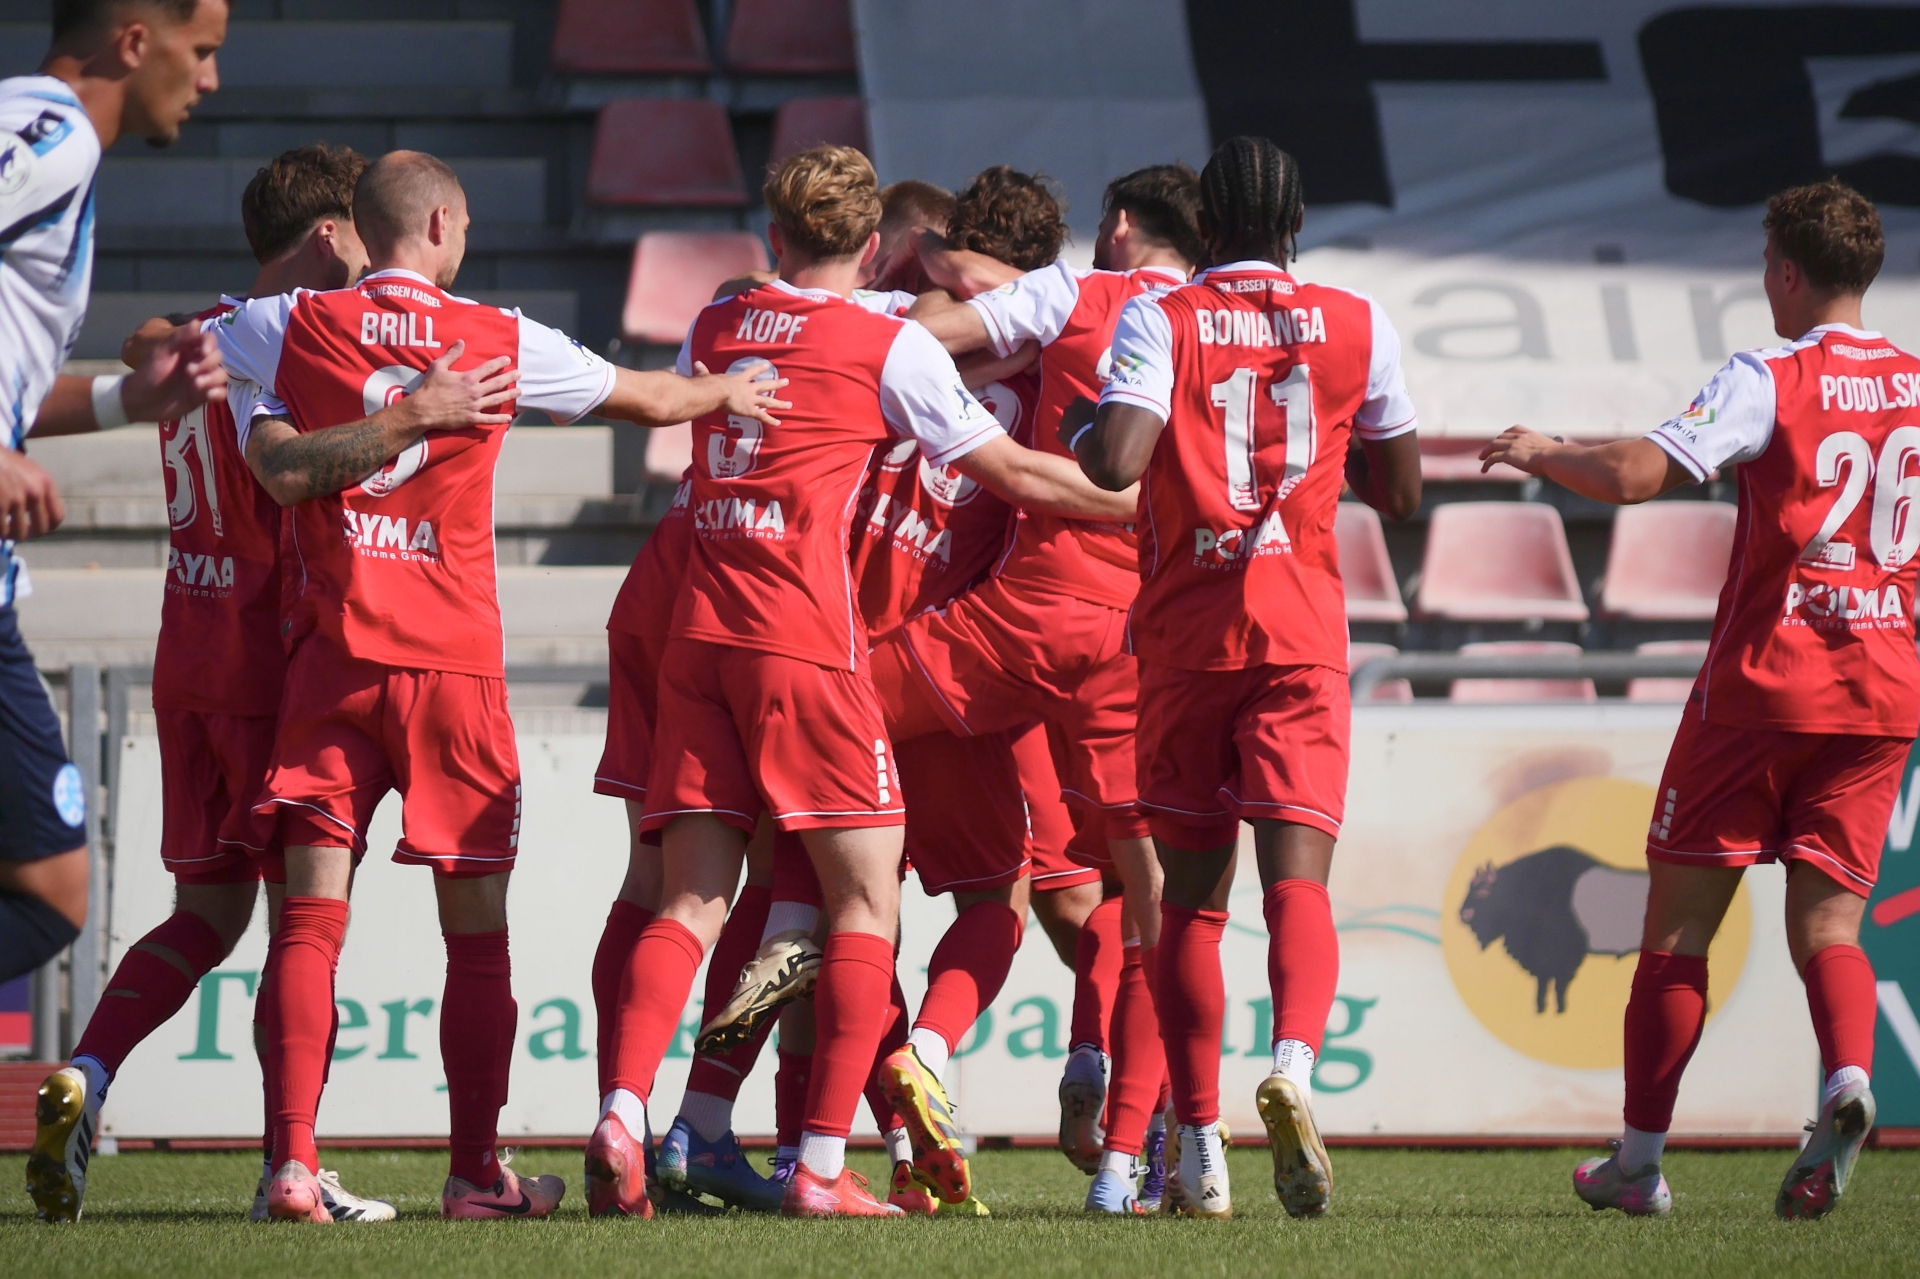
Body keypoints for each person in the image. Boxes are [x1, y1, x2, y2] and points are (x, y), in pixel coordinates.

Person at [210, 150, 786, 1223]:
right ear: (438, 224)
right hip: (452, 670)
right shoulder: (496, 338)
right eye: (464, 224)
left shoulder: (282, 323)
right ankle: (476, 1173)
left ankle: (290, 1163)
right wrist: (730, 389)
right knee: (475, 936)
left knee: (307, 925)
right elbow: (647, 397)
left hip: (332, 661)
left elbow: (185, 355)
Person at [587, 145, 1127, 1219]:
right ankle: (849, 1130)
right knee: (946, 900)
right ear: (875, 245)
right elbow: (1020, 473)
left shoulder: (726, 319)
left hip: (708, 626)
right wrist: (1152, 503)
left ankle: (666, 1115)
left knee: (718, 895)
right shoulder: (949, 351)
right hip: (870, 652)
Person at [1482, 180, 1910, 1222]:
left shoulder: (1771, 376)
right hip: (1883, 693)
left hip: (1764, 689)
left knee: (1676, 933)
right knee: (1831, 928)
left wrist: (1544, 450)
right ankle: (1848, 1080)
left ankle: (1639, 1161)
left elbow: (1638, 474)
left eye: (1766, 264)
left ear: (1787, 271)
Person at [28, 145, 397, 1226]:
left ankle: (87, 1070)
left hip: (186, 659)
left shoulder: (197, 340)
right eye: (364, 234)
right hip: (273, 669)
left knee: (205, 914)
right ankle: (293, 1164)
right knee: (304, 924)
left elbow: (142, 343)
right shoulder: (294, 344)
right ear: (329, 235)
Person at [1076, 136, 1421, 1219]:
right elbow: (1403, 493)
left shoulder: (1162, 316)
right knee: (1297, 884)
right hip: (1301, 633)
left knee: (1190, 906)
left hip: (1188, 638)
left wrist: (1089, 430)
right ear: (1298, 222)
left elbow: (1117, 462)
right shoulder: (1359, 321)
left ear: (1205, 225)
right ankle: (1297, 1067)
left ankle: (1199, 1148)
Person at [878, 162, 1204, 1214]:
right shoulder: (1219, 325)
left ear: (1120, 224)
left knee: (825, 742)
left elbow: (921, 336)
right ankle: (1126, 1157)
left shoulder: (1072, 296)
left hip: (1022, 615)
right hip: (1143, 637)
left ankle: (776, 1130)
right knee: (1142, 904)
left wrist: (914, 282)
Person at [0, 0, 227, 999]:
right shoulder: (48, 136)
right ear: (136, 42)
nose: (210, 79)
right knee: (47, 891)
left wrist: (125, 401)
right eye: (202, 50)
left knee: (50, 887)